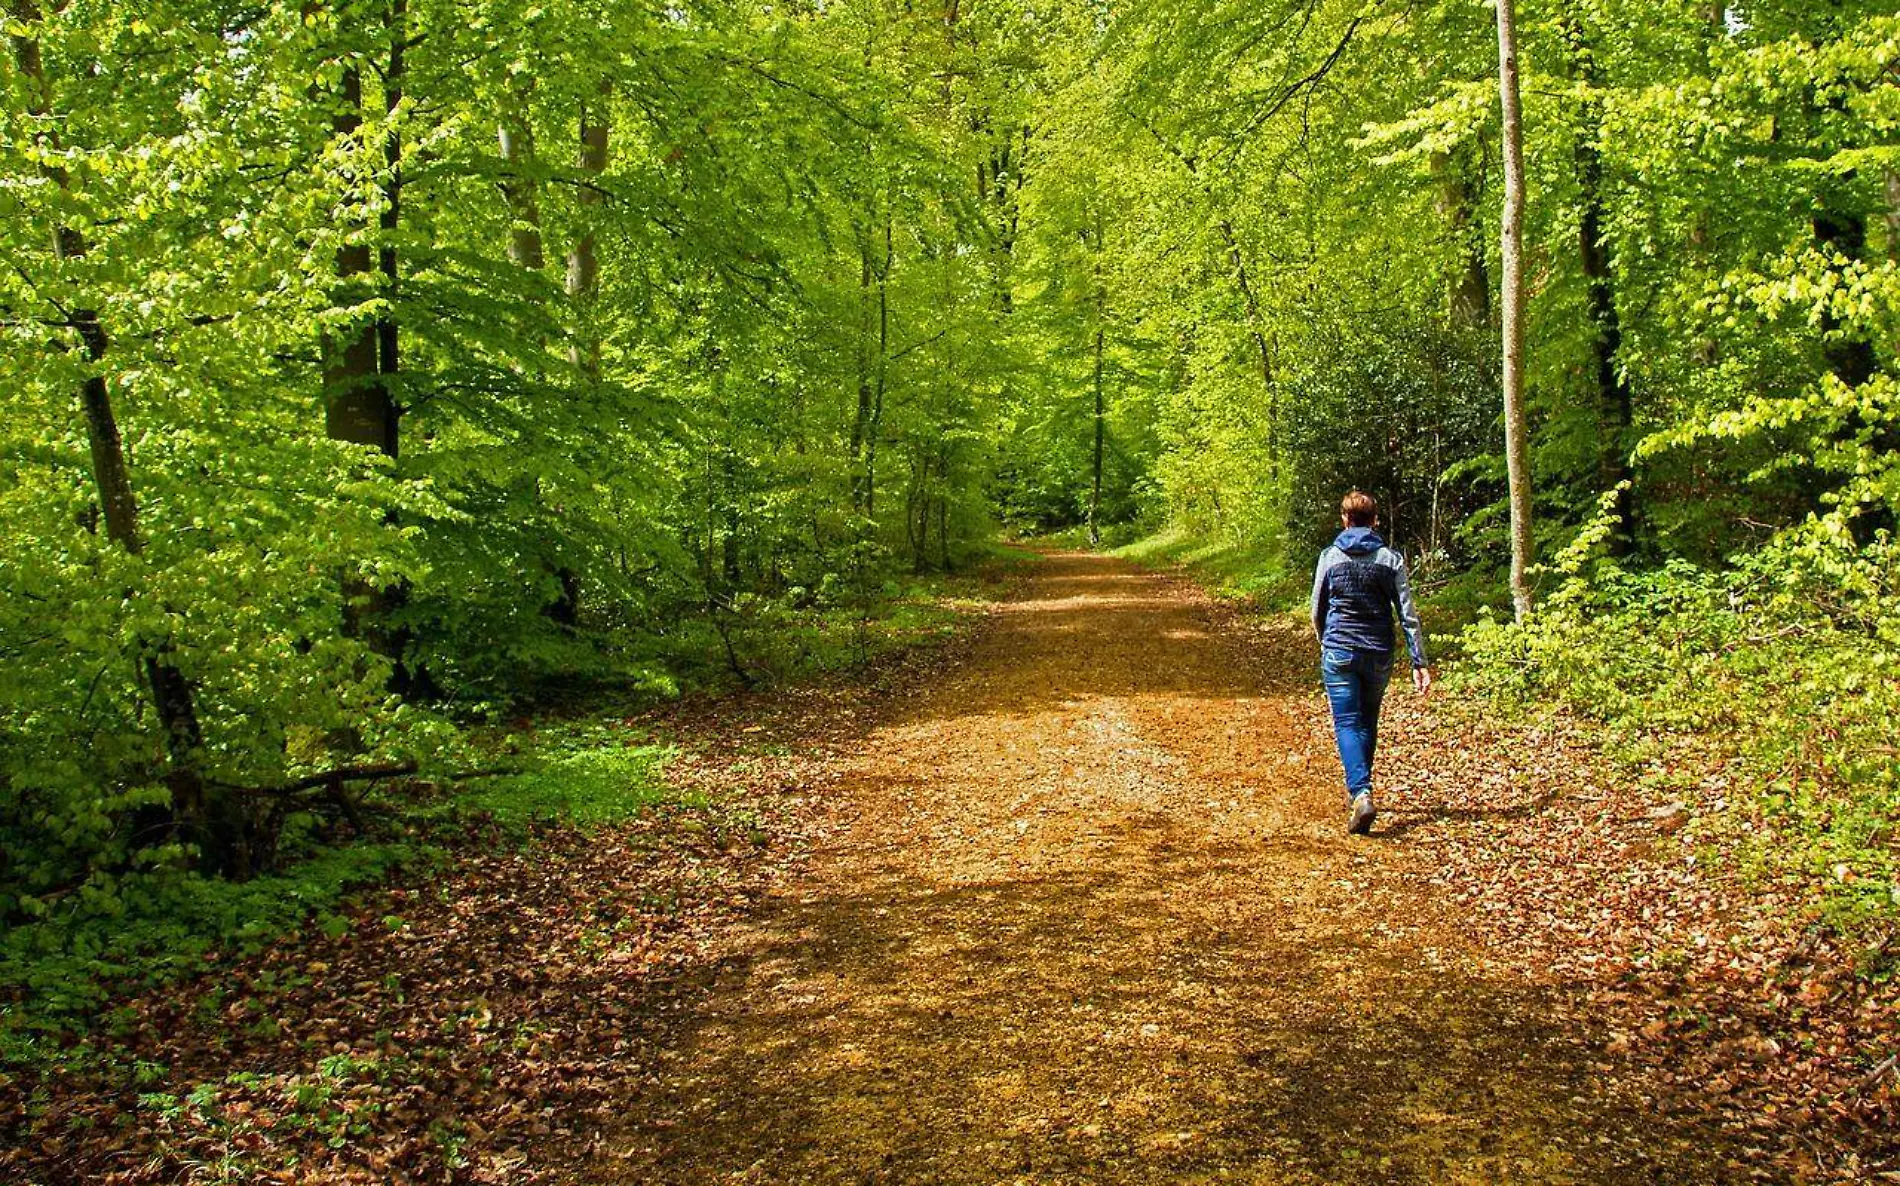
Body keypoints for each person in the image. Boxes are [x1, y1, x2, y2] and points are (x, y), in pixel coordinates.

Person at [1310, 490, 1431, 834]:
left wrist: (1326, 641)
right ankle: (1362, 787)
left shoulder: (1330, 557)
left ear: (1344, 519)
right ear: (1375, 520)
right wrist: (1418, 661)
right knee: (1367, 719)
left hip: (1339, 650)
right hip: (1378, 652)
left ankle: (1360, 792)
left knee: (1347, 722)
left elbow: (1317, 608)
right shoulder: (1390, 560)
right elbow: (1408, 615)